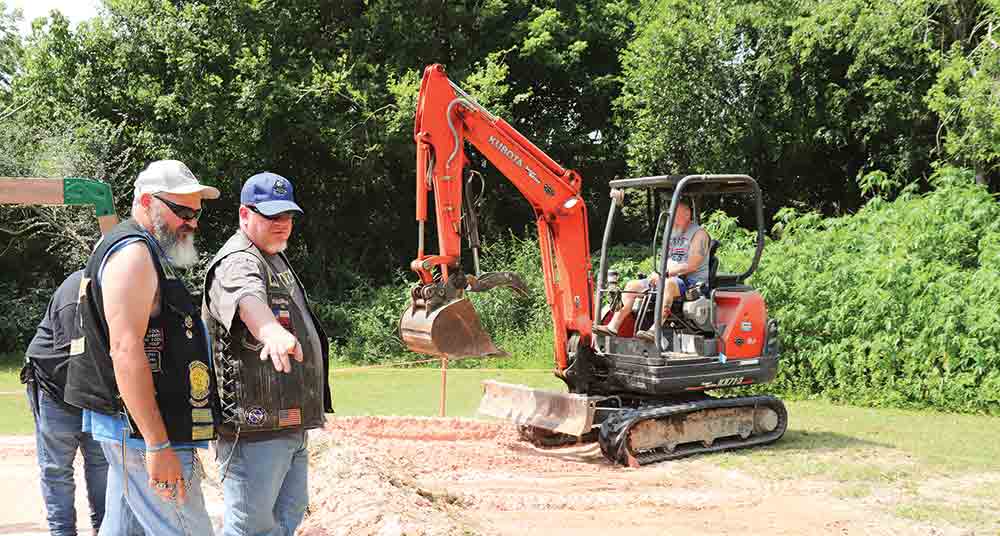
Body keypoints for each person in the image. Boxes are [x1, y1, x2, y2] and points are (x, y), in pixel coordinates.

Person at [64, 159, 221, 535]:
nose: (193, 222)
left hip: (132, 428)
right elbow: (125, 349)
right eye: (182, 211)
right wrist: (157, 444)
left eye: (197, 213)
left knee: (124, 528)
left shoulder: (137, 248)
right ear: (148, 200)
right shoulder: (133, 253)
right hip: (142, 430)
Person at [203, 172, 332, 536]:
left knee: (283, 523)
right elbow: (247, 297)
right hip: (255, 429)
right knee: (252, 529)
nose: (283, 225)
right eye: (272, 217)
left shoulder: (271, 255)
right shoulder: (238, 260)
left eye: (287, 216)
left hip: (288, 423)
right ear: (245, 215)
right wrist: (270, 330)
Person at [21, 270, 108, 535]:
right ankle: (62, 531)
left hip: (91, 392)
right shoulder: (77, 294)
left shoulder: (116, 288)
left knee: (101, 464)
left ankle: (105, 528)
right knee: (56, 468)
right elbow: (80, 355)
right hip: (53, 386)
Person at [596, 198, 711, 340]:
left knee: (667, 285)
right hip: (667, 275)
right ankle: (613, 327)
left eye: (675, 213)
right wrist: (657, 273)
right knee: (632, 285)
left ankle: (654, 330)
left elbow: (692, 265)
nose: (672, 216)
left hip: (690, 282)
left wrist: (664, 273)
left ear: (687, 214)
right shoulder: (674, 233)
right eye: (671, 213)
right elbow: (667, 259)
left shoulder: (699, 234)